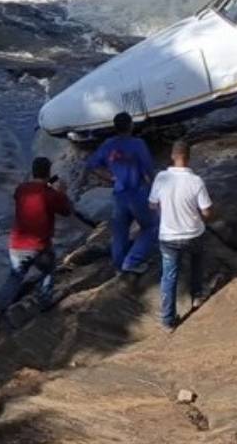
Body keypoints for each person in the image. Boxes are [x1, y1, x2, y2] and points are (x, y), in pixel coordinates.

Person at [0, 157, 72, 332]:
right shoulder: (50, 194)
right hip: (39, 245)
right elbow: (66, 211)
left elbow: (27, 197)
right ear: (49, 172)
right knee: (48, 269)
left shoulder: (21, 190)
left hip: (17, 244)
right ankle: (45, 300)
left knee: (15, 277)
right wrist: (62, 192)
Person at [149, 139, 214, 331]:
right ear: (189, 158)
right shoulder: (196, 181)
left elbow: (152, 204)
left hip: (168, 237)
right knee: (197, 262)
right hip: (193, 234)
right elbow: (207, 211)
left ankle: (168, 321)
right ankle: (197, 295)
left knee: (169, 277)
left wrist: (165, 211)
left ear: (172, 156)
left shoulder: (161, 178)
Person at [85, 112, 157, 273]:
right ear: (130, 125)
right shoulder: (138, 144)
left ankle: (119, 265)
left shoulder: (108, 144)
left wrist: (111, 178)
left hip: (119, 193)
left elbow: (92, 165)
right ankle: (132, 260)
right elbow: (149, 171)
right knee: (151, 226)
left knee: (120, 231)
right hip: (137, 192)